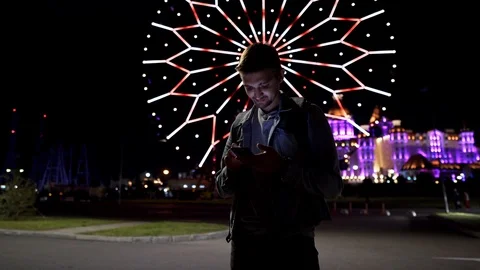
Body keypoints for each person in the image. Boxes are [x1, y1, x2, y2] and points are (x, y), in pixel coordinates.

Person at [215, 43, 344, 270]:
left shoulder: (307, 117)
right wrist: (231, 170)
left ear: (280, 76)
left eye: (263, 85)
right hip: (245, 240)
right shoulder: (240, 124)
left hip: (293, 241)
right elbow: (220, 188)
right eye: (249, 88)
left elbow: (332, 186)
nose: (257, 95)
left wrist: (283, 168)